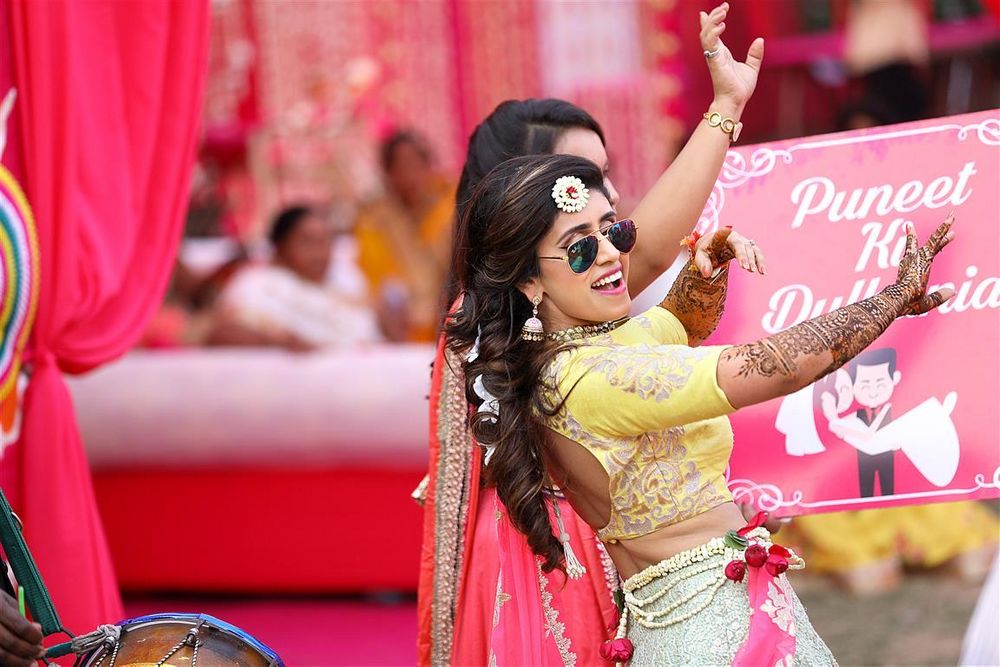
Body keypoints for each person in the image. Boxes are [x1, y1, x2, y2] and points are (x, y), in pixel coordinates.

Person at [451, 153, 956, 665]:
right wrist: (890, 301)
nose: (610, 255)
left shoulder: (586, 353)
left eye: (615, 231)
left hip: (717, 611)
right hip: (710, 632)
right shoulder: (589, 379)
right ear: (529, 281)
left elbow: (676, 324)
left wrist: (705, 270)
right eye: (579, 248)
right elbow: (774, 367)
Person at [418, 4, 769, 664]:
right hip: (551, 563)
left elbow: (651, 248)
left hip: (612, 538)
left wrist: (725, 108)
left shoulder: (580, 275)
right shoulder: (494, 312)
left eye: (601, 174)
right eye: (579, 178)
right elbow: (656, 249)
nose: (602, 192)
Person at [208, 205, 381, 350]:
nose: (319, 251)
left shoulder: (347, 285)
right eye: (307, 241)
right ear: (280, 246)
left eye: (325, 241)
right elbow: (220, 335)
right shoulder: (258, 283)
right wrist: (275, 343)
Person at [354, 130, 454, 342]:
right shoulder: (376, 218)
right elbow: (375, 280)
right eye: (399, 168)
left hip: (450, 315)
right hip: (398, 325)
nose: (409, 176)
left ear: (428, 166)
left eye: (414, 165)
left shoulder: (451, 207)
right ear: (387, 173)